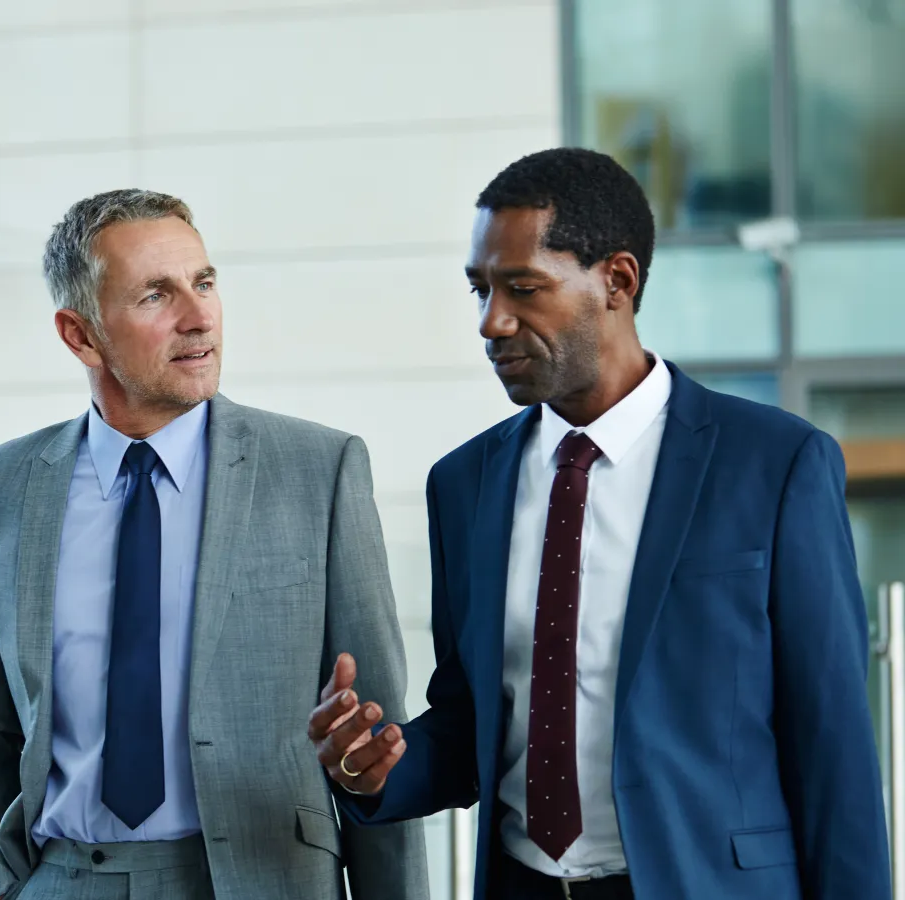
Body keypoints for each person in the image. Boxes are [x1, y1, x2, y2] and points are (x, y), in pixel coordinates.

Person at [307, 148, 889, 899]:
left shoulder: (775, 464)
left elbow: (832, 746)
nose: (491, 321)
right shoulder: (464, 484)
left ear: (618, 280)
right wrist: (376, 767)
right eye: (481, 290)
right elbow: (468, 725)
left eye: (523, 288)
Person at [0, 189, 427, 900]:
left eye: (204, 283)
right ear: (80, 335)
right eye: (155, 295)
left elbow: (376, 733)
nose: (199, 318)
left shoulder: (319, 470)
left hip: (261, 881)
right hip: (62, 880)